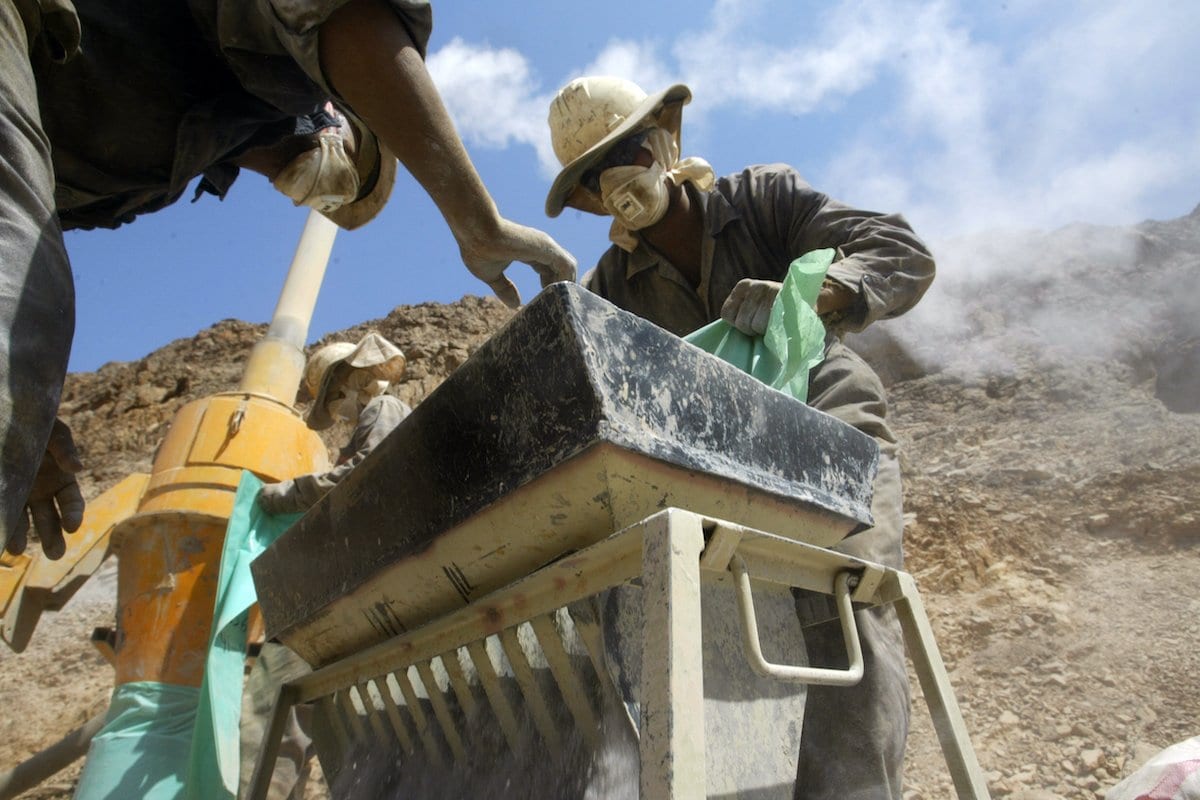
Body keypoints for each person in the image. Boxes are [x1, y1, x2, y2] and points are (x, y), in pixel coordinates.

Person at [0, 0, 576, 562]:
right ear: (329, 106)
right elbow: (340, 11)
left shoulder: (182, 156)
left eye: (336, 198)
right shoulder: (227, 76)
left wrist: (26, 397)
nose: (322, 198)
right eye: (345, 175)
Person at [544, 76, 935, 800]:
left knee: (840, 594)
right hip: (708, 466)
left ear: (666, 137)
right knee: (689, 633)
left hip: (823, 417)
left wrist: (811, 294)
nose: (615, 183)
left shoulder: (760, 200)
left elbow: (899, 250)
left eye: (625, 152)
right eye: (593, 179)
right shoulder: (611, 290)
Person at [239, 331, 409, 799]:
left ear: (356, 380)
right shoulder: (371, 422)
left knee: (272, 694)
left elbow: (360, 476)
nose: (337, 410)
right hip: (364, 577)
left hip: (357, 582)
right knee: (309, 714)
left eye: (336, 397)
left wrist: (282, 496)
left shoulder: (383, 411)